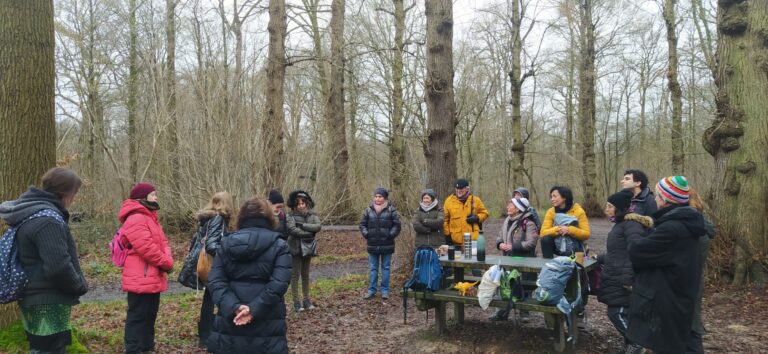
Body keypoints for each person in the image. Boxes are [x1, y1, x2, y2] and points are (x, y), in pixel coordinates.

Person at [0, 167, 88, 354]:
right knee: (50, 349)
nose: (74, 198)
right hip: (48, 300)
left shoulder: (32, 214)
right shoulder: (48, 220)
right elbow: (58, 266)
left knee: (39, 348)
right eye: (75, 192)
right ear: (66, 192)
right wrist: (78, 285)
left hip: (34, 297)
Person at [626, 176, 706, 354]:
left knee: (669, 347)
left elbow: (637, 252)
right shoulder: (687, 223)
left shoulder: (672, 228)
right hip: (679, 296)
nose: (654, 199)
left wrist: (633, 229)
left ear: (666, 199)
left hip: (668, 302)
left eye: (658, 195)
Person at [205, 198, 292, 353]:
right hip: (267, 320)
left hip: (231, 322)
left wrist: (235, 307)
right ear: (270, 217)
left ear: (241, 217)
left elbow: (215, 280)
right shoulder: (280, 245)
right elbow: (279, 283)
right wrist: (253, 308)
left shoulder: (226, 243)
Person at [118, 182, 174, 354]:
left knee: (150, 314)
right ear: (142, 197)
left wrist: (167, 258)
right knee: (138, 316)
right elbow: (146, 248)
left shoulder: (150, 217)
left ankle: (146, 347)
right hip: (140, 276)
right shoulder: (136, 217)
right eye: (153, 194)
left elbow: (163, 243)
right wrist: (165, 263)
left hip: (152, 274)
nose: (156, 197)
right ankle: (134, 349)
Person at [596, 189, 653, 354]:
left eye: (609, 206)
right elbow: (617, 253)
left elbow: (635, 252)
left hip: (622, 278)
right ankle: (631, 345)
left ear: (619, 208)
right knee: (619, 312)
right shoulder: (621, 225)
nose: (606, 210)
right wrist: (599, 257)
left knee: (617, 312)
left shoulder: (631, 225)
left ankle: (636, 344)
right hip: (616, 274)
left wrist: (628, 279)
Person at [177, 191, 234, 349]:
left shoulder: (206, 218)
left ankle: (205, 334)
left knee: (209, 298)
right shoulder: (218, 218)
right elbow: (211, 246)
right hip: (214, 265)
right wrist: (227, 254)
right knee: (215, 297)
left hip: (203, 264)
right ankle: (210, 335)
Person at [491, 197, 539, 321]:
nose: (508, 207)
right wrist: (500, 243)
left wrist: (513, 246)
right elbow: (500, 235)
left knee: (523, 286)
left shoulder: (528, 223)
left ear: (518, 209)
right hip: (507, 259)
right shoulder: (507, 220)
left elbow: (531, 243)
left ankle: (524, 312)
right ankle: (503, 311)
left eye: (510, 205)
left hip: (524, 260)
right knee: (505, 284)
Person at [359, 187, 401, 300]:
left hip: (387, 244)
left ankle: (385, 291)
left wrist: (390, 234)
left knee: (386, 268)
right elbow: (362, 224)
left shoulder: (391, 210)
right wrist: (366, 234)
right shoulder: (368, 210)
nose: (377, 198)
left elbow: (397, 225)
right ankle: (371, 290)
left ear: (385, 198)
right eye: (376, 196)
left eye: (380, 196)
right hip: (372, 243)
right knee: (373, 268)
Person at [689, 187, 716, 352]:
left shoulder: (694, 226)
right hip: (694, 278)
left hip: (689, 280)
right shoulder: (701, 222)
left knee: (691, 325)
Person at [286, 190, 322, 312]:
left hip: (308, 248)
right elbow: (292, 230)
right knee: (295, 275)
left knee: (305, 275)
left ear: (307, 204)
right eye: (298, 204)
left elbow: (318, 226)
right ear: (295, 205)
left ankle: (307, 301)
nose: (301, 206)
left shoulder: (312, 215)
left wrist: (303, 226)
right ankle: (296, 303)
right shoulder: (290, 216)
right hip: (294, 248)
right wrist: (309, 233)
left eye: (303, 203)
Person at [539, 186, 590, 258]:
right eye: (551, 197)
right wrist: (558, 229)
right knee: (545, 239)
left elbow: (586, 234)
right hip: (558, 244)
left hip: (574, 245)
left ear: (564, 197)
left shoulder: (578, 211)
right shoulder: (551, 212)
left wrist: (569, 230)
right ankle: (549, 265)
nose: (552, 199)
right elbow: (543, 232)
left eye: (554, 196)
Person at [443, 178, 489, 250]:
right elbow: (445, 220)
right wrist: (447, 236)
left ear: (467, 189)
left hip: (473, 240)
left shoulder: (475, 200)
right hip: (455, 241)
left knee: (473, 261)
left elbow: (485, 213)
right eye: (457, 188)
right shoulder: (449, 201)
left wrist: (476, 218)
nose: (459, 191)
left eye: (461, 189)